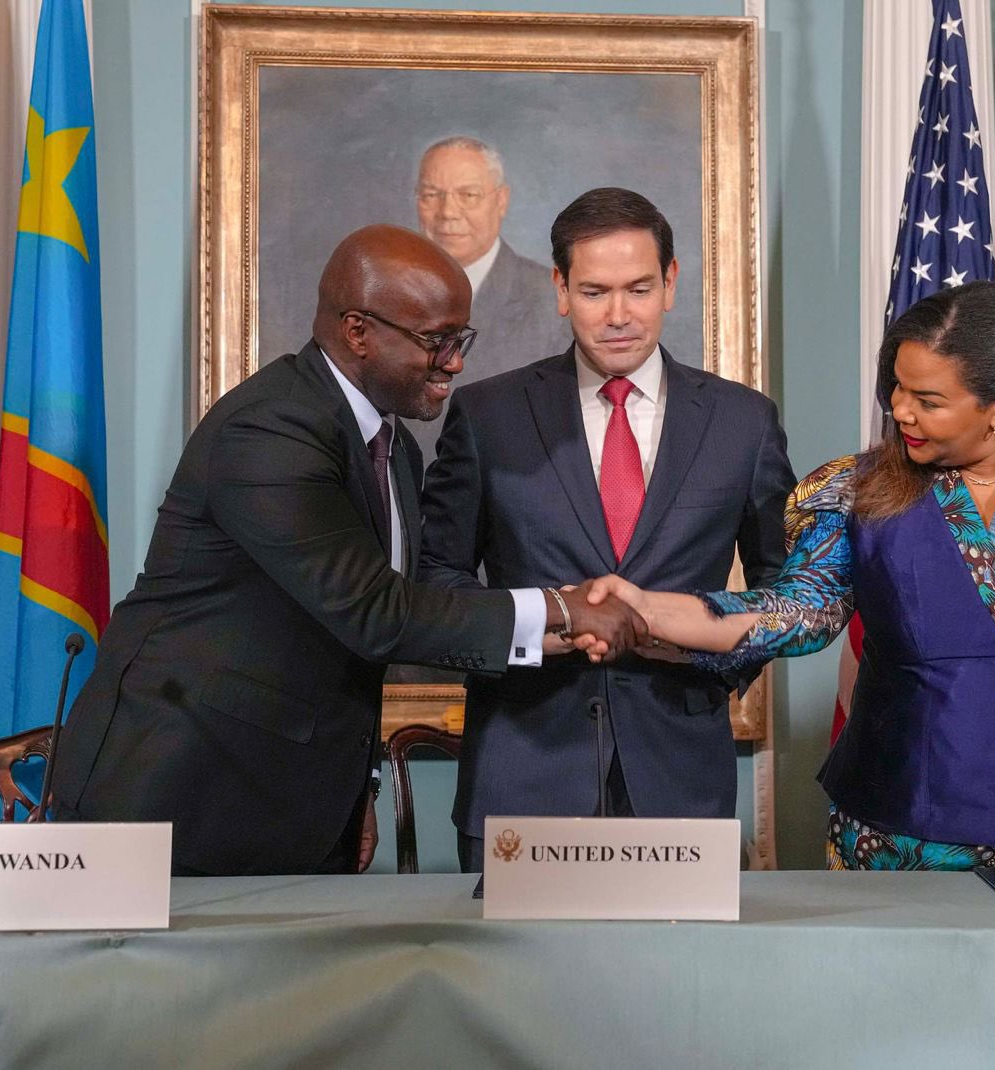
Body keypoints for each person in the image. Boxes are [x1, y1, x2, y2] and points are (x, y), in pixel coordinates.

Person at [48, 225, 646, 877]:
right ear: (358, 332)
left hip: (298, 799)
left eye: (461, 340)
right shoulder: (270, 429)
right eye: (437, 341)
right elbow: (375, 613)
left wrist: (355, 784)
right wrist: (564, 610)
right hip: (179, 791)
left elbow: (374, 632)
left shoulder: (395, 449)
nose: (454, 363)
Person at [584, 282, 995, 871]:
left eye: (929, 401)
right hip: (900, 830)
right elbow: (797, 612)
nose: (901, 411)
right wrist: (649, 610)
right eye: (896, 388)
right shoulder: (854, 491)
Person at [418, 187, 796, 872]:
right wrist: (550, 625)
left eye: (639, 289)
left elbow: (786, 594)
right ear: (561, 289)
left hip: (682, 780)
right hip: (521, 775)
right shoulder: (487, 416)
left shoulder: (744, 422)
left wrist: (697, 654)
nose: (619, 315)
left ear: (671, 282)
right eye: (594, 292)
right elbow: (435, 582)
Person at [413, 136, 566, 445]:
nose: (448, 212)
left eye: (468, 195)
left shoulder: (553, 300)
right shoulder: (393, 293)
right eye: (432, 194)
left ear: (502, 200)